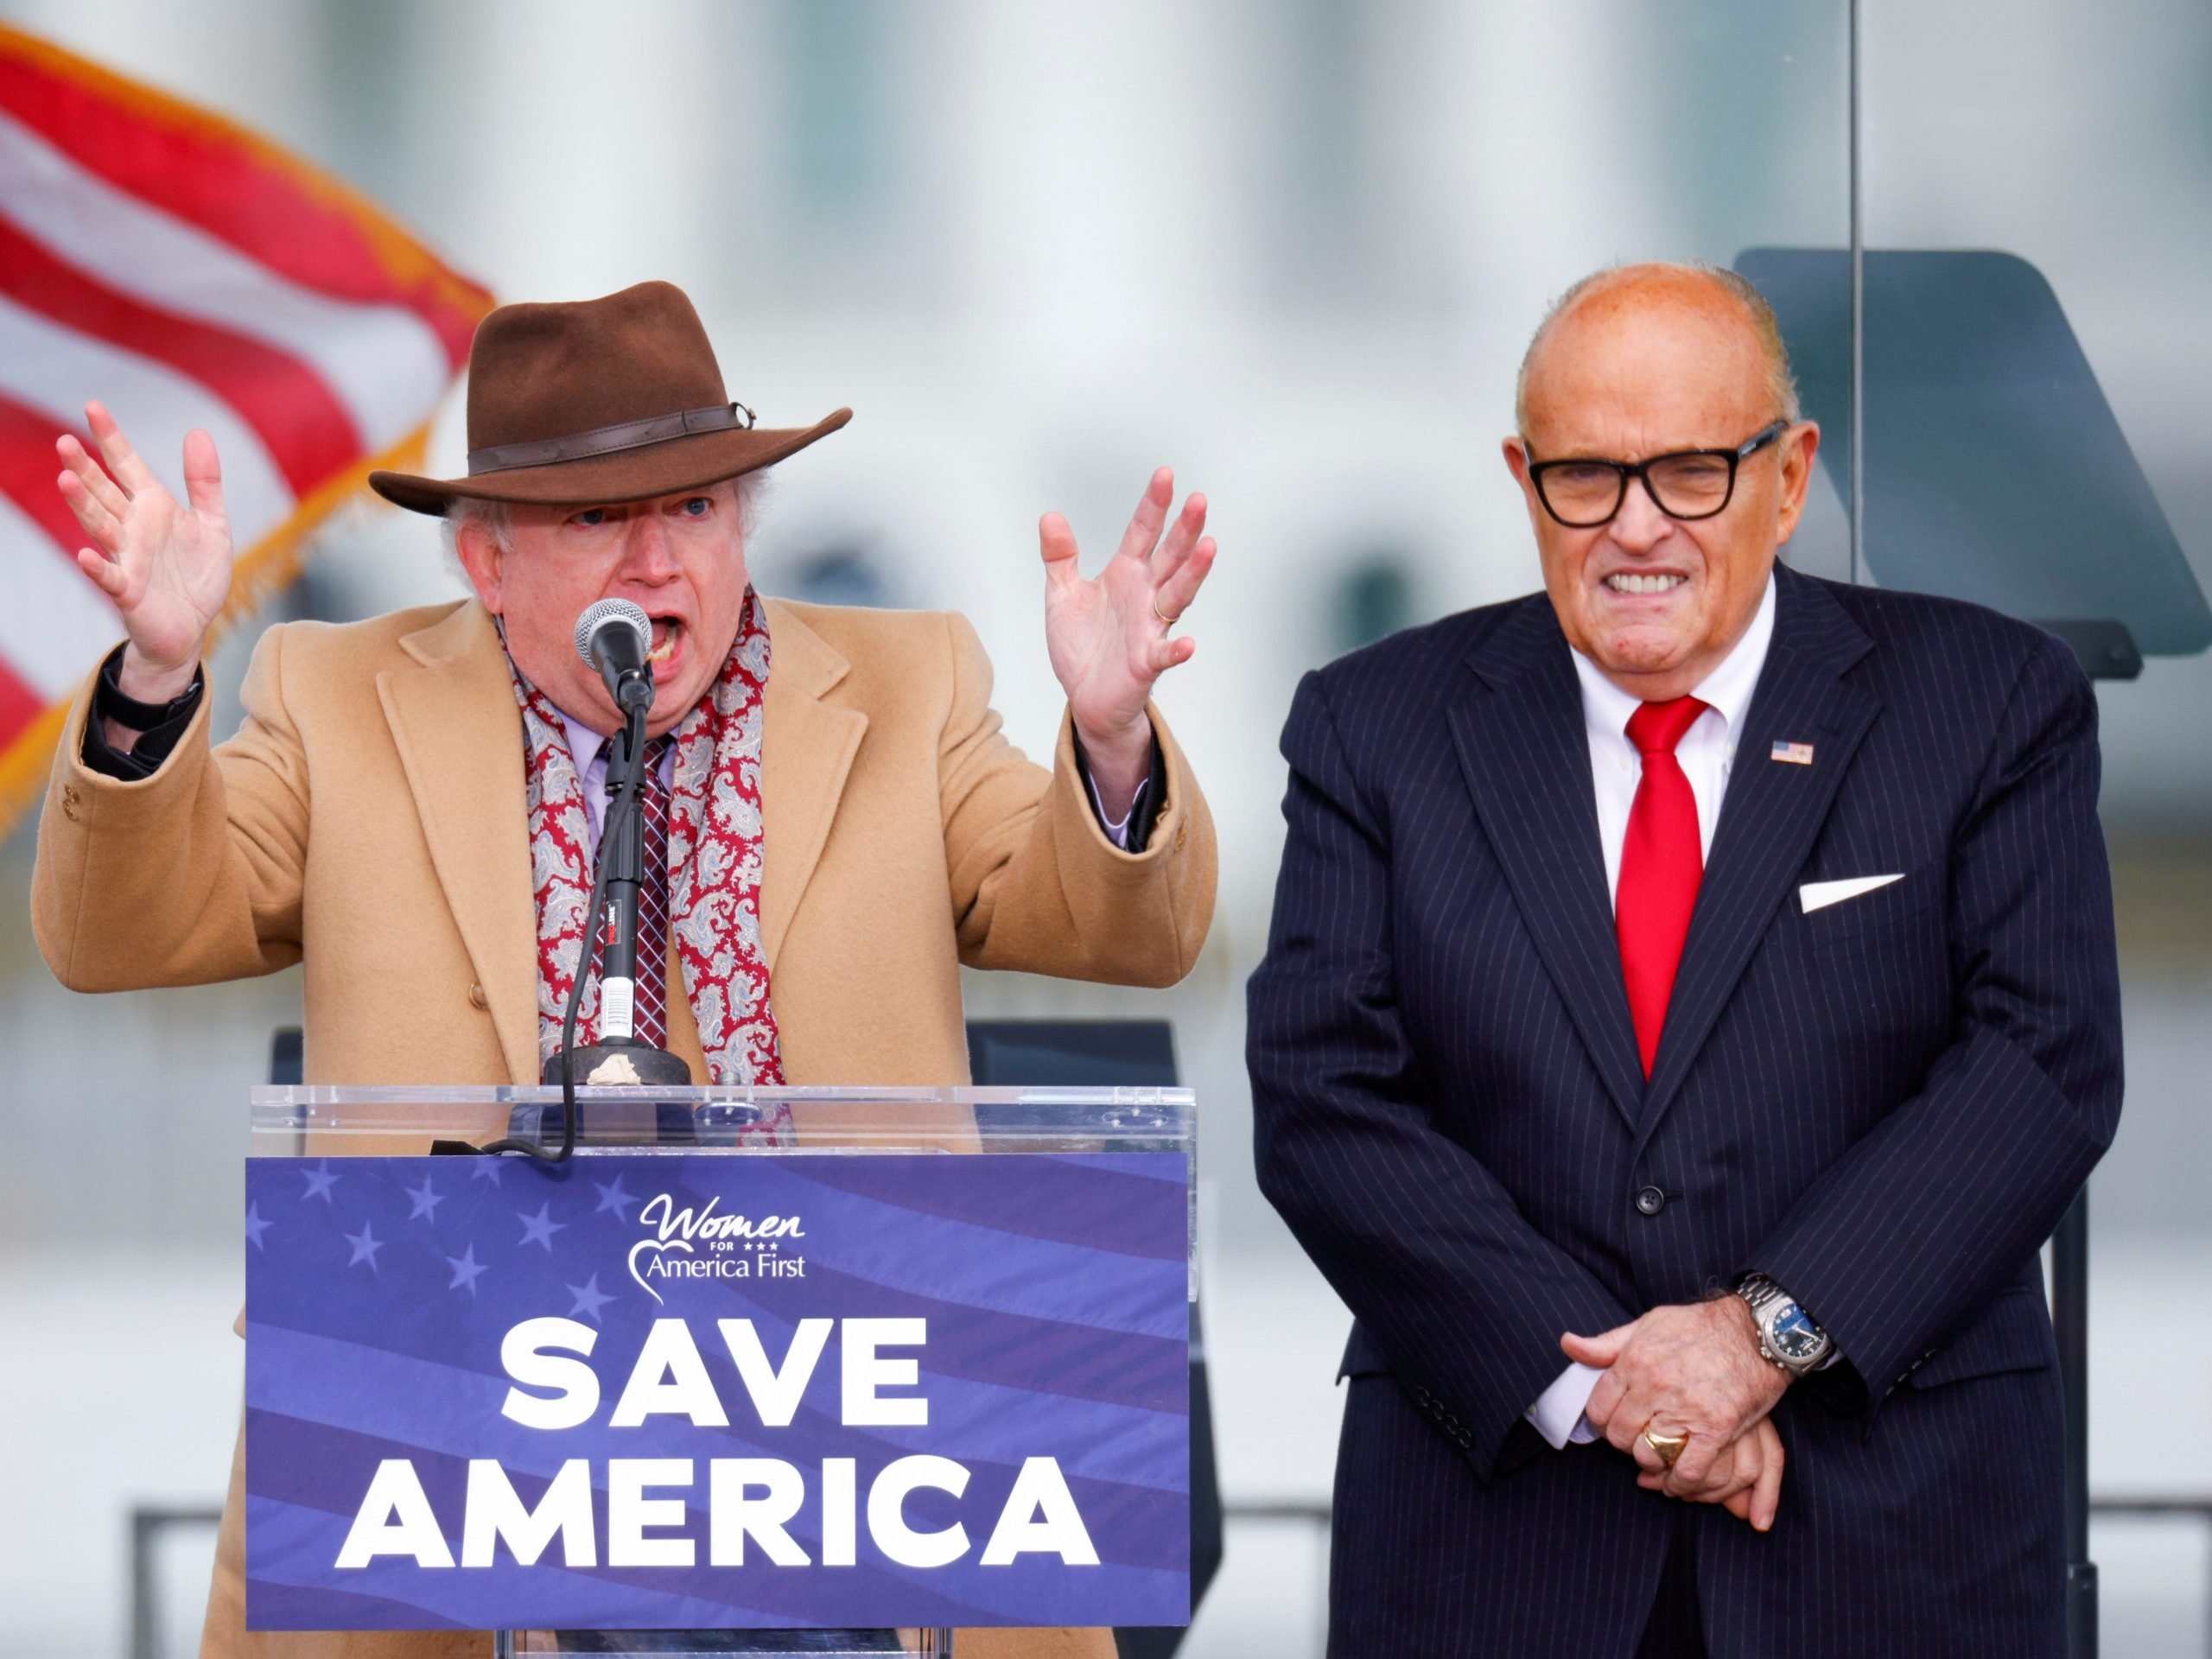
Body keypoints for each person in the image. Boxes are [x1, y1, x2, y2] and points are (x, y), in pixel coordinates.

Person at [33, 281, 1217, 1659]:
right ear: (485, 564)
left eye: (698, 510)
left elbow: (1121, 929)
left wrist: (1116, 740)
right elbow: (119, 933)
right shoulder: (336, 698)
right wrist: (155, 683)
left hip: (854, 1488)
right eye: (599, 518)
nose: (661, 563)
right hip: (461, 1490)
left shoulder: (911, 684)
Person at [1247, 262, 2120, 1657]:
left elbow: (2039, 1067)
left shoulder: (1988, 701)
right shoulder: (1375, 726)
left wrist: (1757, 1338)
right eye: (1586, 476)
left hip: (1890, 1535)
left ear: (1789, 476)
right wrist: (1612, 1388)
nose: (1635, 528)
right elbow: (1325, 1101)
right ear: (1524, 479)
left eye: (1693, 473)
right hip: (1501, 1543)